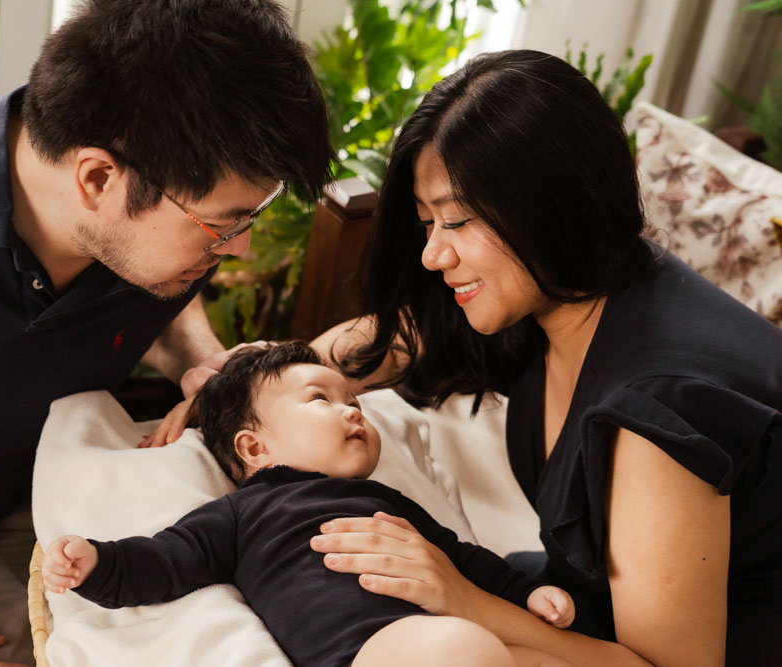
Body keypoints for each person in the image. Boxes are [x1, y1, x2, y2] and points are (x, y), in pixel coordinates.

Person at [0, 1, 332, 665]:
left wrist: (202, 359)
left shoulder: (137, 231)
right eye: (223, 225)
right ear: (97, 178)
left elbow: (146, 293)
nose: (239, 252)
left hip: (29, 514)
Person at [305, 49, 782, 666]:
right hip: (594, 610)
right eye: (428, 224)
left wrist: (462, 598)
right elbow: (406, 335)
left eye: (456, 220)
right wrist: (273, 375)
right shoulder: (568, 289)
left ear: (551, 205)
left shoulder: (656, 412)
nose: (433, 255)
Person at [43, 342, 575, 667]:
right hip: (364, 652)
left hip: (447, 638)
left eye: (354, 402)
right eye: (322, 399)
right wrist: (96, 562)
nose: (352, 413)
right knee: (463, 650)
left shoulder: (386, 501)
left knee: (543, 659)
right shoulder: (244, 514)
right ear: (253, 447)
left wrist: (528, 593)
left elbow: (462, 559)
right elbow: (164, 561)